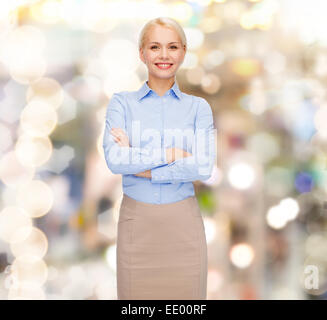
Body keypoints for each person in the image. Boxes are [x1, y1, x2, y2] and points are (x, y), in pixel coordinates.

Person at [103, 17, 216, 300]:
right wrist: (171, 155)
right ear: (142, 53)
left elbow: (203, 167)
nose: (164, 55)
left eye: (172, 47)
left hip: (183, 227)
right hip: (137, 225)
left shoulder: (198, 108)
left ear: (183, 52)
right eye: (155, 47)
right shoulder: (121, 103)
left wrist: (144, 168)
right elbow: (116, 160)